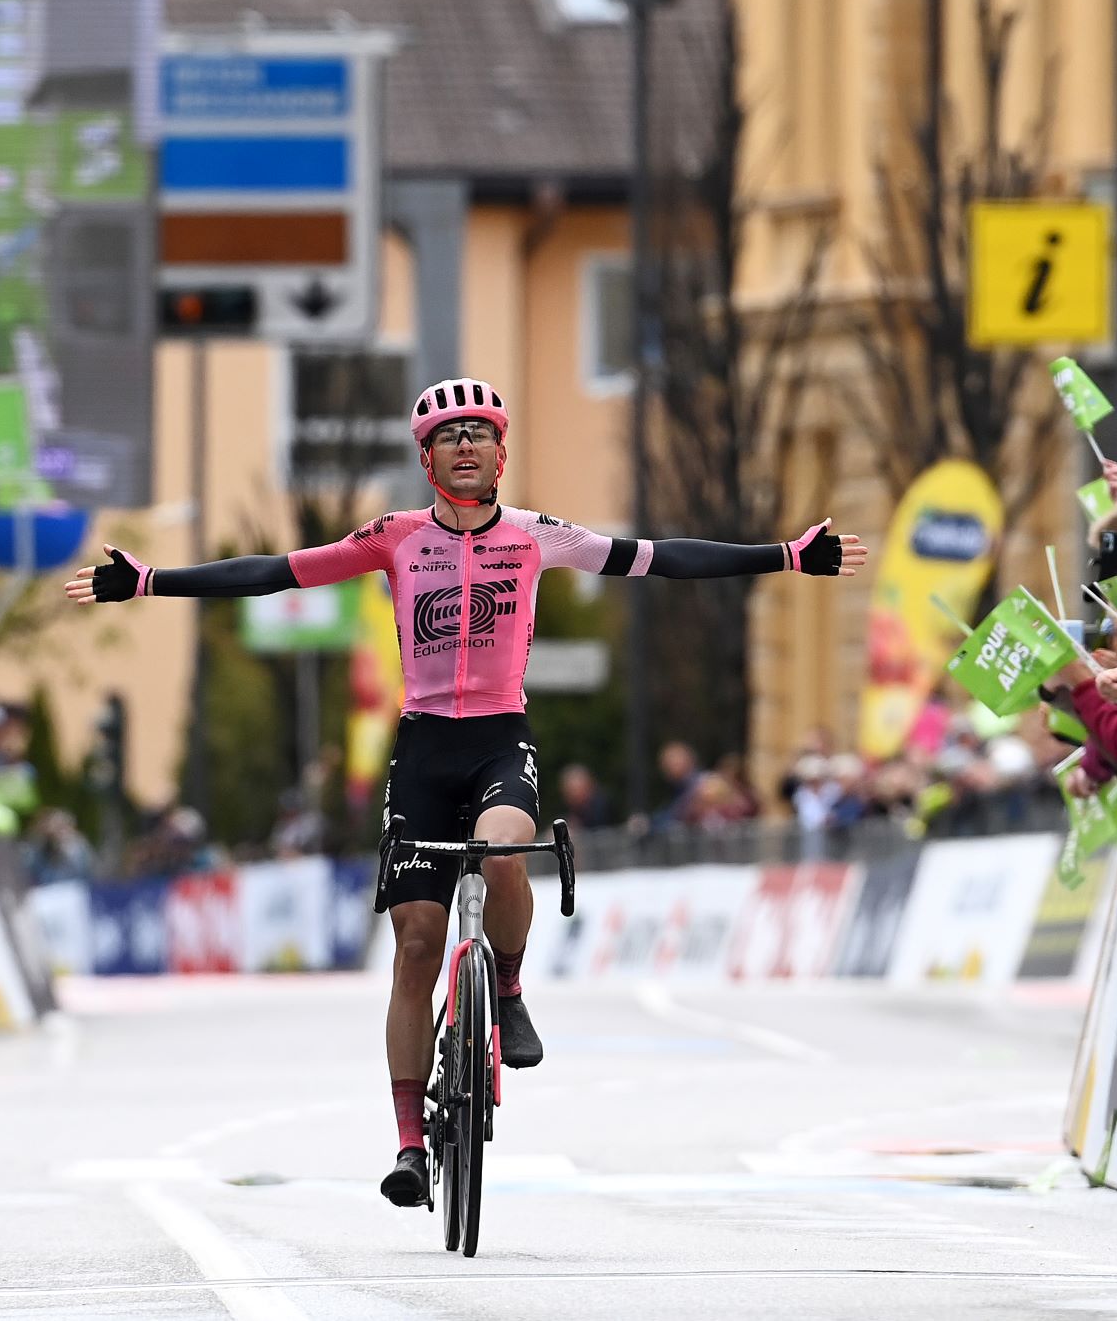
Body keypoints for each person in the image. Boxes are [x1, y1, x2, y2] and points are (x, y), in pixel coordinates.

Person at [66, 376, 866, 1209]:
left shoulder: (537, 536)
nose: (468, 447)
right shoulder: (393, 537)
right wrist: (152, 579)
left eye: (481, 433)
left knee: (504, 848)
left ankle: (509, 989)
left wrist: (785, 554)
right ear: (425, 457)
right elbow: (273, 571)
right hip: (422, 749)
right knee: (416, 944)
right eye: (450, 436)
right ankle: (411, 1143)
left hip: (497, 738)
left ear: (502, 450)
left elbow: (662, 558)